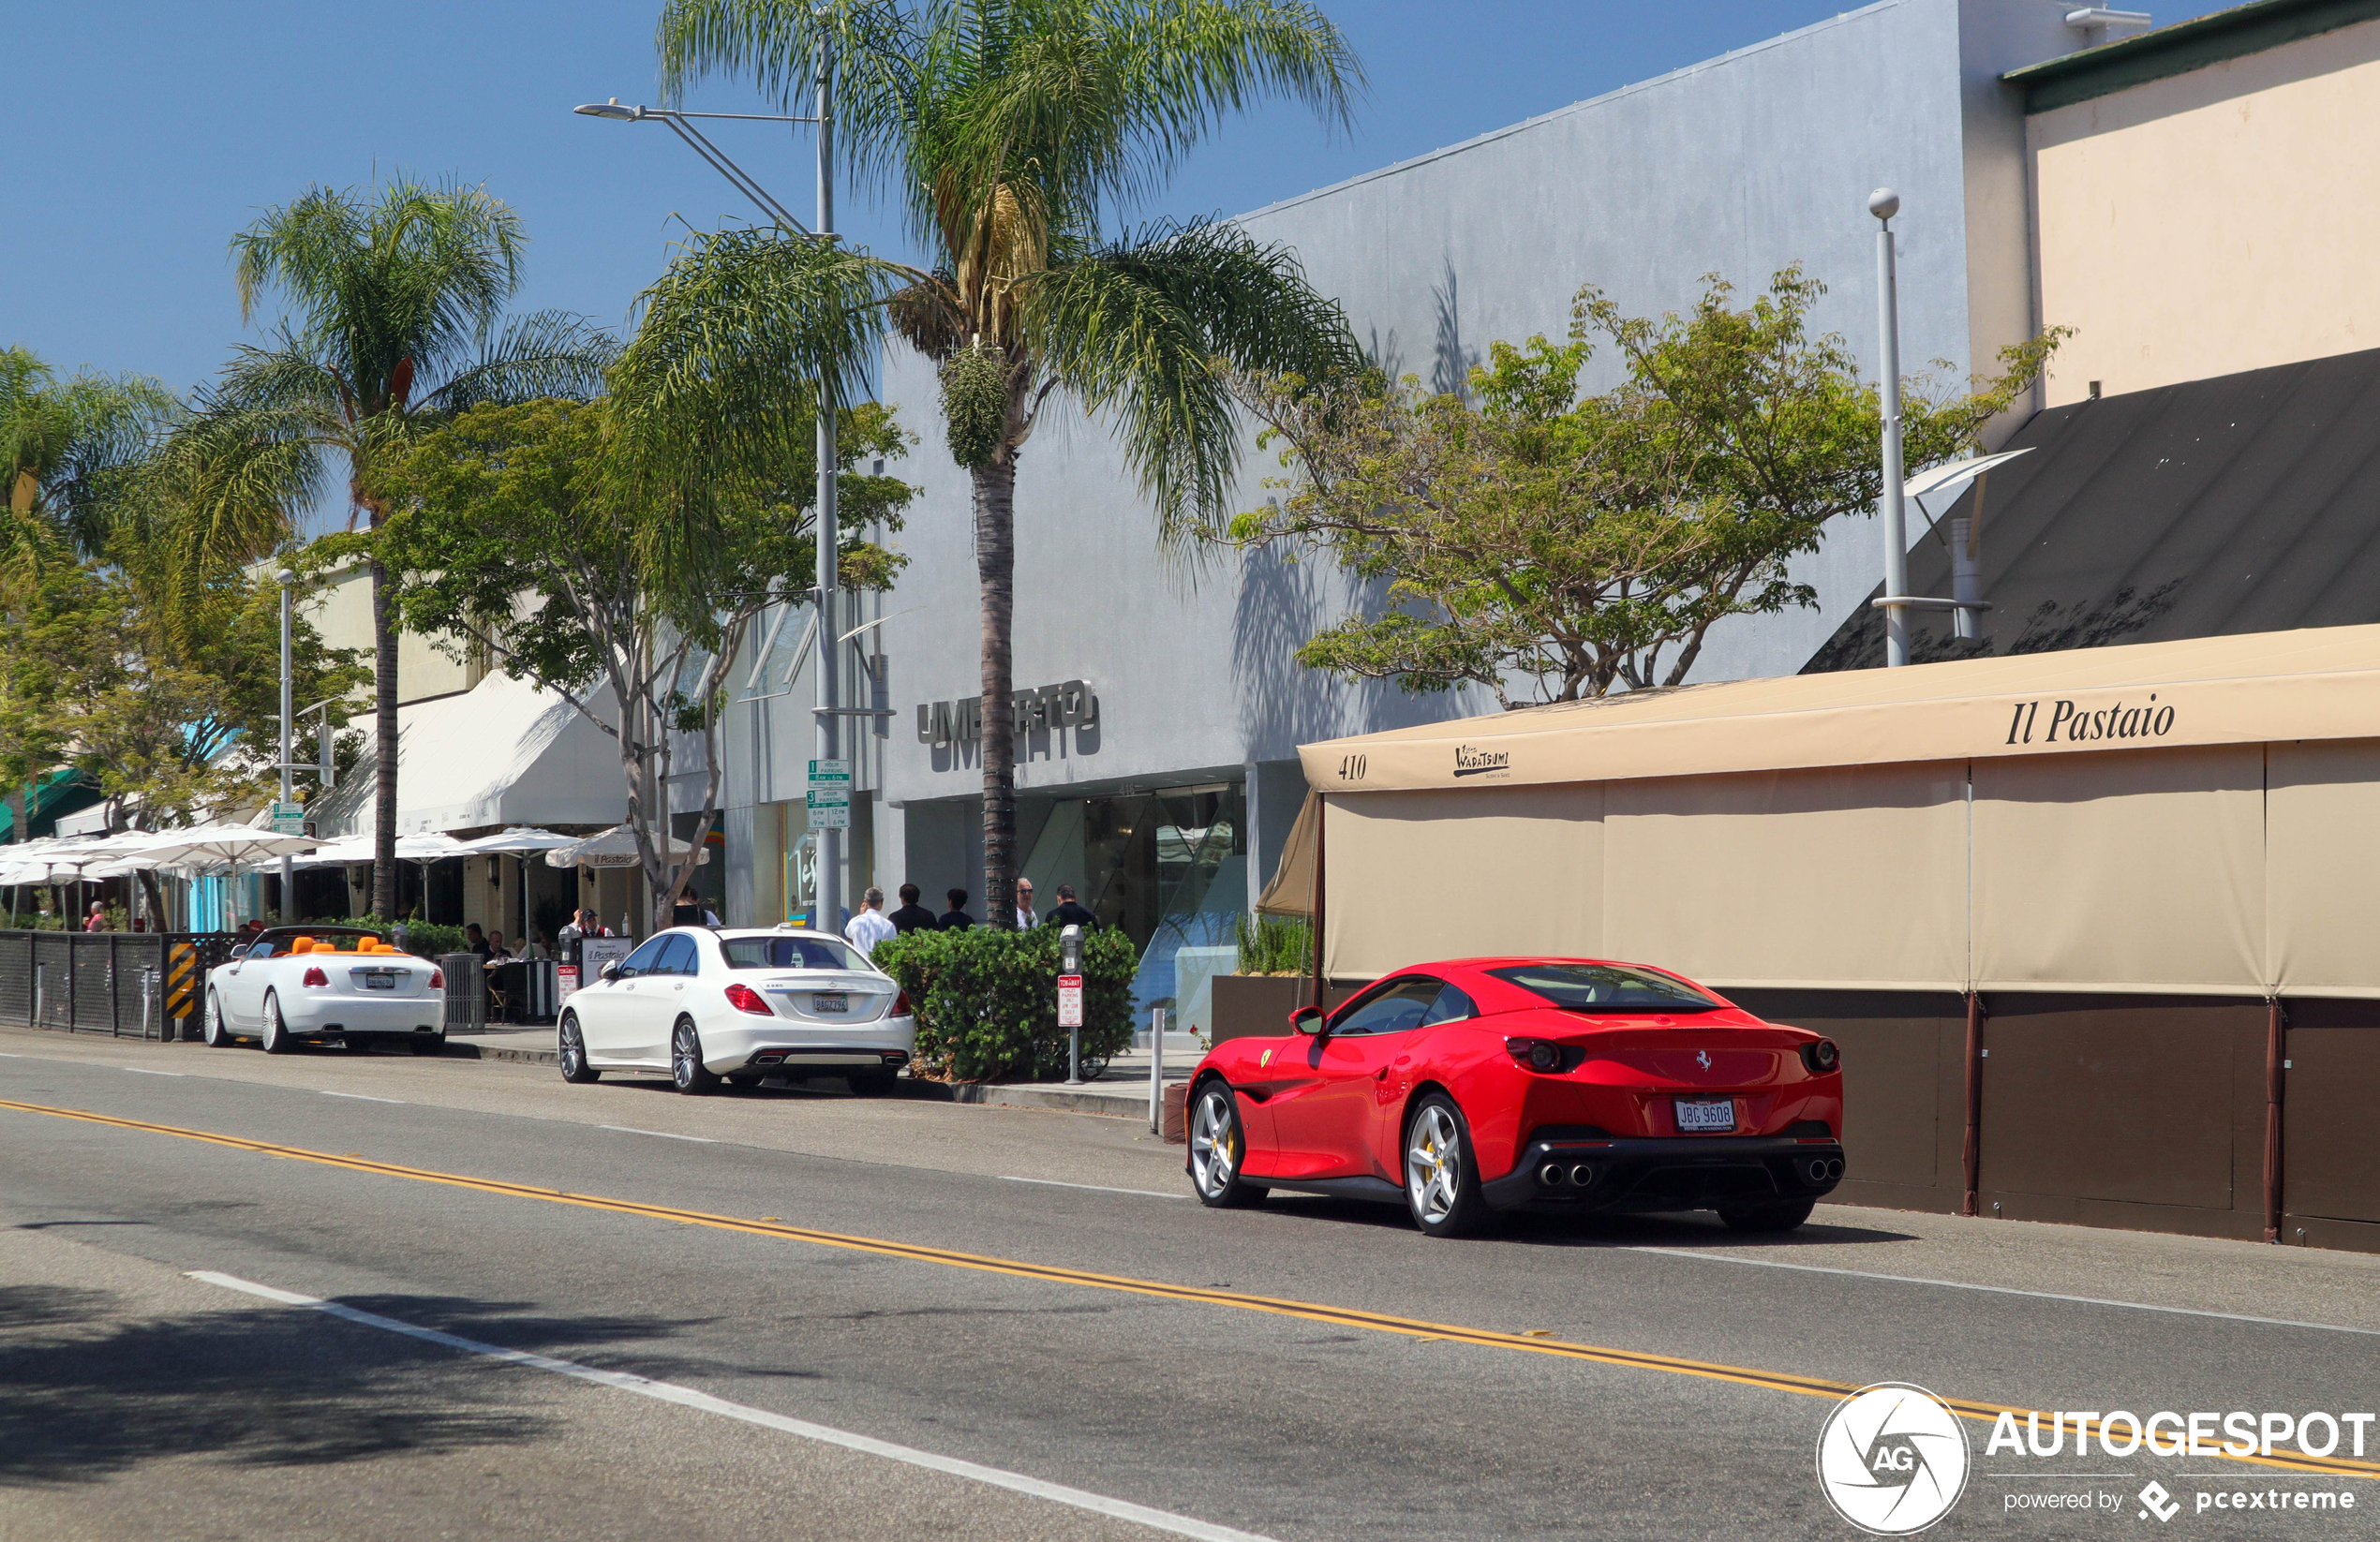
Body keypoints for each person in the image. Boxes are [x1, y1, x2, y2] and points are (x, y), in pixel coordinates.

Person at [844, 887, 897, 954]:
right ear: (881, 901)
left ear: (865, 901)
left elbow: (848, 934)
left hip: (859, 962)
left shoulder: (854, 922)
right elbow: (892, 946)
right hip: (878, 963)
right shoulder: (887, 925)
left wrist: (860, 915)